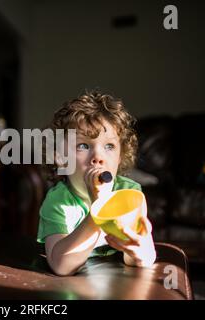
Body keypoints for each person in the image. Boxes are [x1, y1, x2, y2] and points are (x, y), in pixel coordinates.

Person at [37, 90, 156, 276]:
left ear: (119, 157)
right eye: (83, 145)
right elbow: (61, 266)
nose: (98, 157)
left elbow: (142, 256)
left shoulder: (130, 192)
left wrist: (140, 252)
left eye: (109, 146)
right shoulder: (58, 202)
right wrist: (98, 210)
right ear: (61, 158)